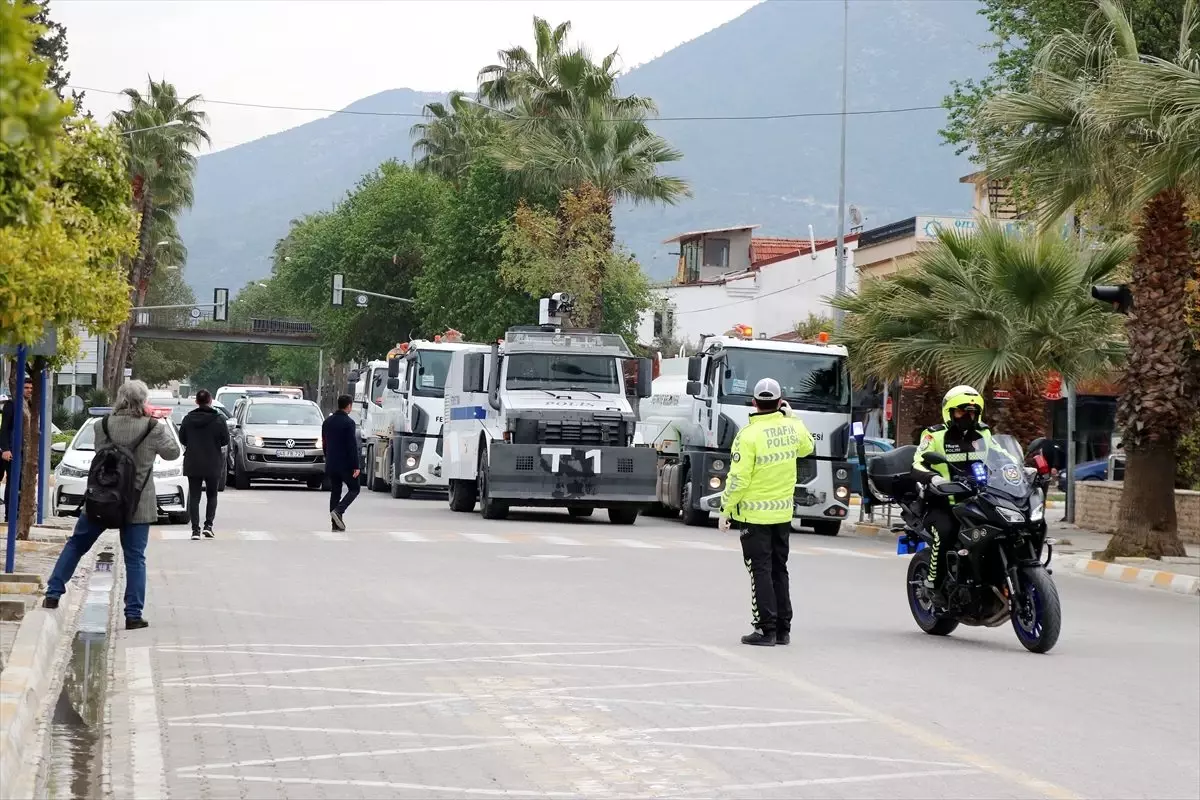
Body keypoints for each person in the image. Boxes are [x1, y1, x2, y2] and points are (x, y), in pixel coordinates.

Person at [43, 380, 179, 630]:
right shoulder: (152, 428)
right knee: (135, 558)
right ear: (143, 401)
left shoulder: (102, 425)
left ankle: (53, 593)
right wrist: (155, 421)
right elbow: (173, 453)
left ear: (119, 398)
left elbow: (102, 454)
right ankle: (133, 615)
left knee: (76, 545)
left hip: (101, 499)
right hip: (137, 503)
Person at [719, 378, 815, 646]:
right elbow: (808, 446)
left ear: (754, 403)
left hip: (753, 517)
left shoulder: (748, 436)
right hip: (782, 515)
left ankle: (765, 629)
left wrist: (725, 509)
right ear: (780, 401)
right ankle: (783, 629)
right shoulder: (791, 428)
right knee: (779, 569)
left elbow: (738, 479)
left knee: (759, 570)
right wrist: (793, 417)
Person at [911, 385, 995, 604]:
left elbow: (1001, 454)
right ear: (949, 412)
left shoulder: (984, 433)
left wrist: (1020, 468)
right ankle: (933, 585)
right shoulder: (935, 434)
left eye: (972, 412)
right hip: (941, 502)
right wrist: (933, 478)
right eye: (961, 411)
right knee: (946, 532)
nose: (967, 416)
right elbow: (918, 463)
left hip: (976, 499)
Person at [179, 389, 229, 540]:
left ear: (196, 402)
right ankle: (208, 526)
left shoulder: (188, 419)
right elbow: (225, 440)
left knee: (194, 496)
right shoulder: (219, 419)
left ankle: (195, 530)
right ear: (211, 400)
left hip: (193, 461)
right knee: (212, 494)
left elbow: (182, 438)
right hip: (212, 461)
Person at [322, 394, 360, 532]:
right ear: (349, 405)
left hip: (331, 463)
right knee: (355, 488)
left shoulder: (327, 422)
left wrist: (328, 458)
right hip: (345, 464)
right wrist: (356, 466)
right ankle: (339, 510)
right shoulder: (349, 423)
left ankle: (335, 524)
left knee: (335, 492)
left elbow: (324, 443)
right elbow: (351, 446)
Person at [0, 376, 33, 522]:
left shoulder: (31, 405)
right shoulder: (11, 405)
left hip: (25, 450)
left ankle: (20, 512)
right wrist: (5, 449)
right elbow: (4, 429)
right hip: (12, 451)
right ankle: (10, 514)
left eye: (31, 388)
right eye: (26, 388)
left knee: (21, 481)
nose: (29, 391)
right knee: (13, 481)